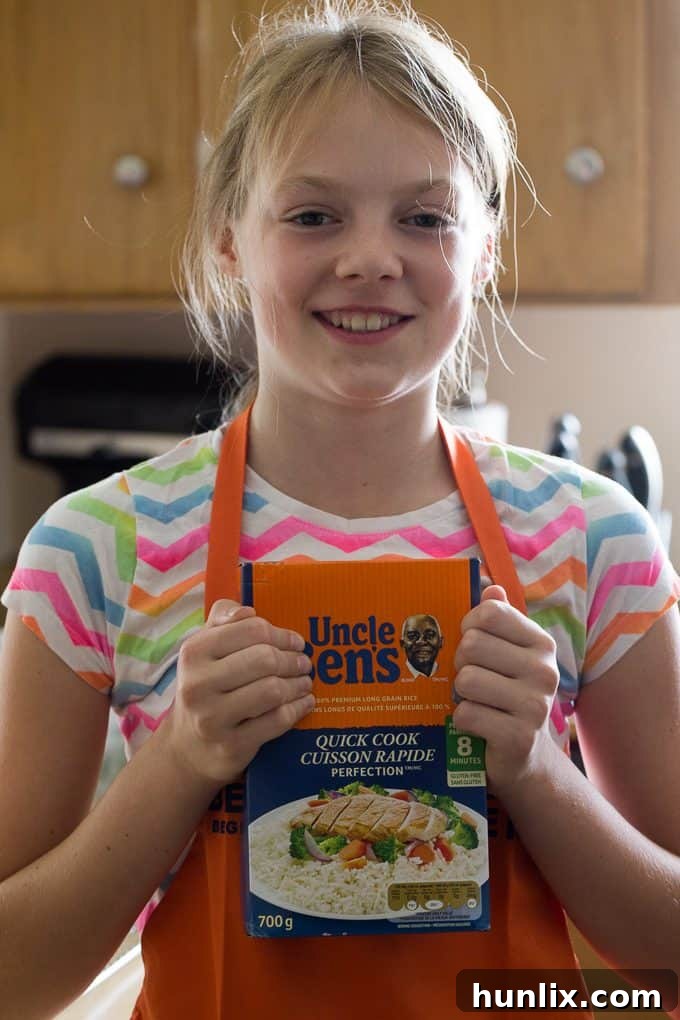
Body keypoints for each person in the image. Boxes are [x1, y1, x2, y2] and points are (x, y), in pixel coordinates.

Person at [1, 1, 679, 1017]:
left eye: (425, 216)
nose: (371, 257)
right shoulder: (97, 550)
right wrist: (179, 762)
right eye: (313, 215)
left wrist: (541, 772)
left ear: (483, 248)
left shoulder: (591, 539)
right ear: (230, 238)